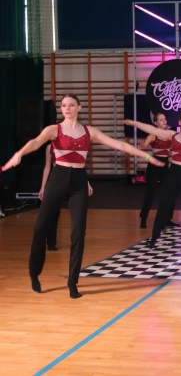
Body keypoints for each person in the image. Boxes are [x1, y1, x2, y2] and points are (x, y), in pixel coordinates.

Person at [2, 94, 164, 299]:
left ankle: (72, 282)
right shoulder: (54, 129)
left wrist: (147, 156)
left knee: (78, 233)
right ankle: (34, 273)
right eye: (63, 105)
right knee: (40, 227)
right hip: (58, 178)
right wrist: (19, 153)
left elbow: (120, 145)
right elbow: (35, 142)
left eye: (71, 105)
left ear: (79, 108)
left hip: (78, 181)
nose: (67, 108)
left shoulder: (89, 131)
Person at [124, 111, 181, 256]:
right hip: (173, 172)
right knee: (163, 205)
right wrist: (133, 123)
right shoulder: (172, 135)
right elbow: (152, 130)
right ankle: (154, 237)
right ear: (179, 122)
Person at [39, 142, 94, 251]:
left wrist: (87, 183)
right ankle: (51, 242)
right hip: (58, 181)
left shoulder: (71, 144)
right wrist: (43, 187)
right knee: (52, 212)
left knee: (78, 214)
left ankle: (76, 241)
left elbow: (79, 166)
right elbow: (47, 167)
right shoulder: (50, 147)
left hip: (75, 181)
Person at [138, 112, 175, 229]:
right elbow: (144, 144)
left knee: (169, 193)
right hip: (154, 166)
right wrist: (143, 144)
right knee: (150, 194)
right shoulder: (153, 135)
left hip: (165, 165)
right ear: (155, 122)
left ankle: (167, 219)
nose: (164, 121)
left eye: (165, 119)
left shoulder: (170, 135)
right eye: (161, 119)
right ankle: (143, 219)